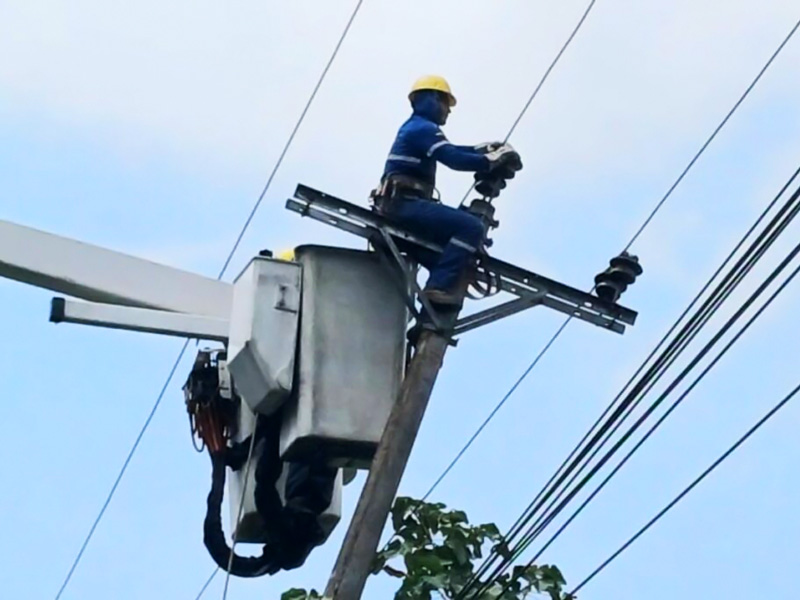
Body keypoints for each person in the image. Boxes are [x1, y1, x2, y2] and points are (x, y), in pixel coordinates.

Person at [377, 75, 518, 306]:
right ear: (432, 98)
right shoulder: (422, 128)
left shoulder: (418, 128)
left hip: (401, 205)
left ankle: (435, 309)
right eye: (445, 103)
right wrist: (490, 160)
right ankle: (437, 289)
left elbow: (451, 150)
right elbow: (453, 158)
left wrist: (480, 149)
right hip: (403, 205)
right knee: (470, 226)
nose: (448, 111)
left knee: (449, 254)